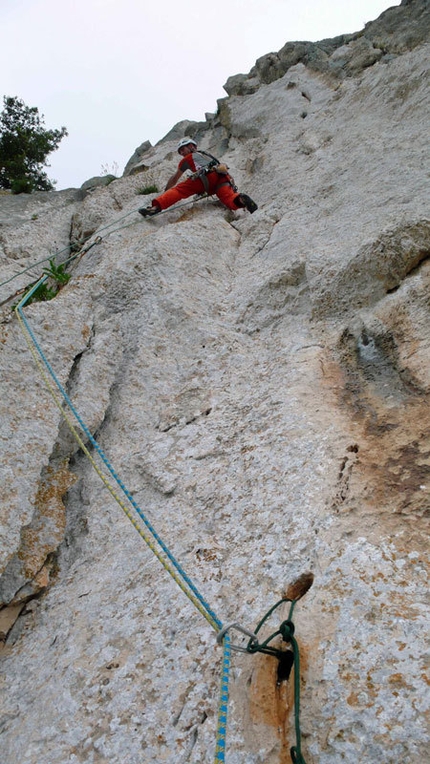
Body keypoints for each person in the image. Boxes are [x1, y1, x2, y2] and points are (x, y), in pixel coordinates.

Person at [138, 137, 258, 217]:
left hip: (205, 177)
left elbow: (174, 178)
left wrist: (163, 193)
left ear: (191, 146)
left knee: (179, 190)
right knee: (229, 199)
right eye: (180, 152)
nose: (182, 153)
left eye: (183, 149)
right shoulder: (207, 155)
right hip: (223, 179)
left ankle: (155, 207)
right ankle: (242, 199)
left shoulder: (189, 158)